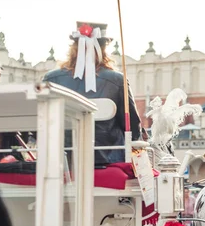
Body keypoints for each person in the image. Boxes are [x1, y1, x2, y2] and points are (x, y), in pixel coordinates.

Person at [44, 22, 142, 166]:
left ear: (74, 48)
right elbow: (132, 127)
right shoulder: (117, 80)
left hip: (63, 163)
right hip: (107, 163)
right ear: (103, 49)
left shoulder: (51, 79)